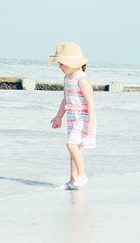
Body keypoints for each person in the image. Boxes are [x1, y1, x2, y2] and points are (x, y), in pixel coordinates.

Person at [48, 42, 96, 190]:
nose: (60, 67)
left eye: (61, 64)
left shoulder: (82, 79)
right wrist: (59, 117)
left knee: (71, 145)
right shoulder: (67, 78)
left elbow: (90, 102)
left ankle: (82, 175)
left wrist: (91, 122)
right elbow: (65, 99)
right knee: (74, 149)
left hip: (83, 117)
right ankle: (72, 181)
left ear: (72, 63)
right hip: (71, 117)